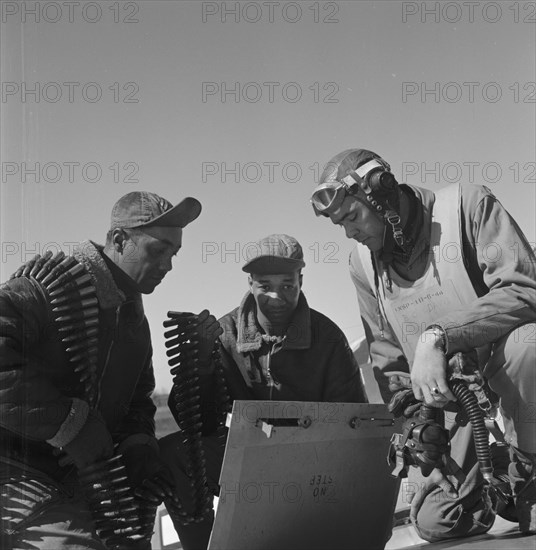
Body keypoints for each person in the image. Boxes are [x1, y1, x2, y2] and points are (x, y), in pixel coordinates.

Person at [310, 148, 536, 541]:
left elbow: (523, 289)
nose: (350, 233)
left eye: (352, 217)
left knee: (527, 345)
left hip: (513, 382)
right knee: (437, 521)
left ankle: (529, 466)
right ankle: (497, 469)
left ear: (380, 194)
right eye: (340, 225)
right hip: (457, 402)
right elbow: (388, 359)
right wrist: (416, 423)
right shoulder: (362, 264)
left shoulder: (467, 205)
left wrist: (438, 336)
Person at [0, 191, 202, 550]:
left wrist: (138, 446)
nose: (168, 265)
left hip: (83, 475)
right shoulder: (46, 289)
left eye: (174, 254)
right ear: (119, 240)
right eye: (159, 250)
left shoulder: (133, 319)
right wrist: (68, 425)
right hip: (19, 473)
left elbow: (138, 399)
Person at [160, 233, 366, 550]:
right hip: (248, 461)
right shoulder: (224, 335)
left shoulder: (328, 339)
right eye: (265, 286)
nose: (276, 297)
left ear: (301, 280)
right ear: (251, 283)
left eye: (287, 285)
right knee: (176, 454)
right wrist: (198, 364)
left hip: (312, 464)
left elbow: (355, 422)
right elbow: (196, 422)